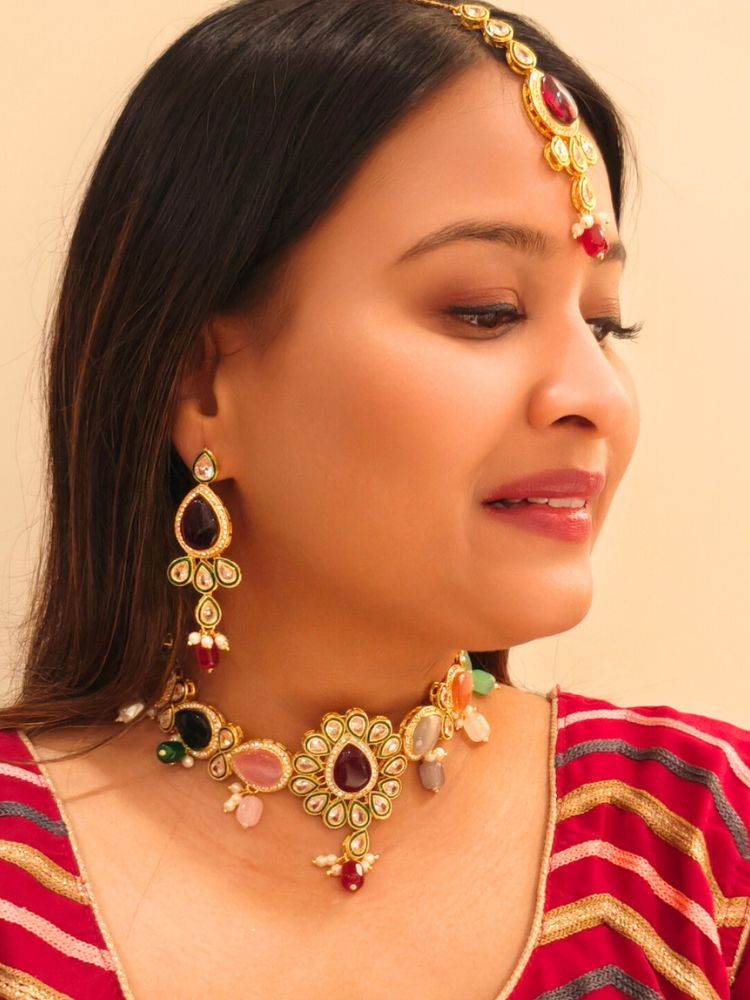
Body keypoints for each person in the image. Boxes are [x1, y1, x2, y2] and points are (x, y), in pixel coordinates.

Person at [0, 0, 748, 997]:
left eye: (607, 324)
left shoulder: (697, 848)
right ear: (200, 380)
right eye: (486, 310)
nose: (596, 397)